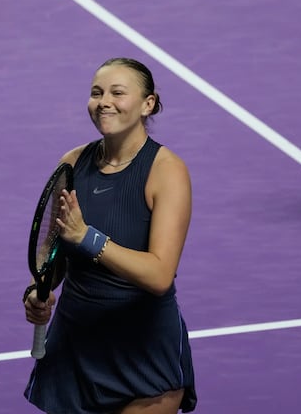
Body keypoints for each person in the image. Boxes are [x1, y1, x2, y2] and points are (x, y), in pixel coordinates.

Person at [22, 57, 197, 413]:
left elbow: (160, 275)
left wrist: (88, 237)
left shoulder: (167, 171)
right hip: (75, 351)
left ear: (148, 104)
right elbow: (53, 255)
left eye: (118, 93)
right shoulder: (71, 164)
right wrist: (37, 293)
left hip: (142, 355)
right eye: (96, 93)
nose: (104, 102)